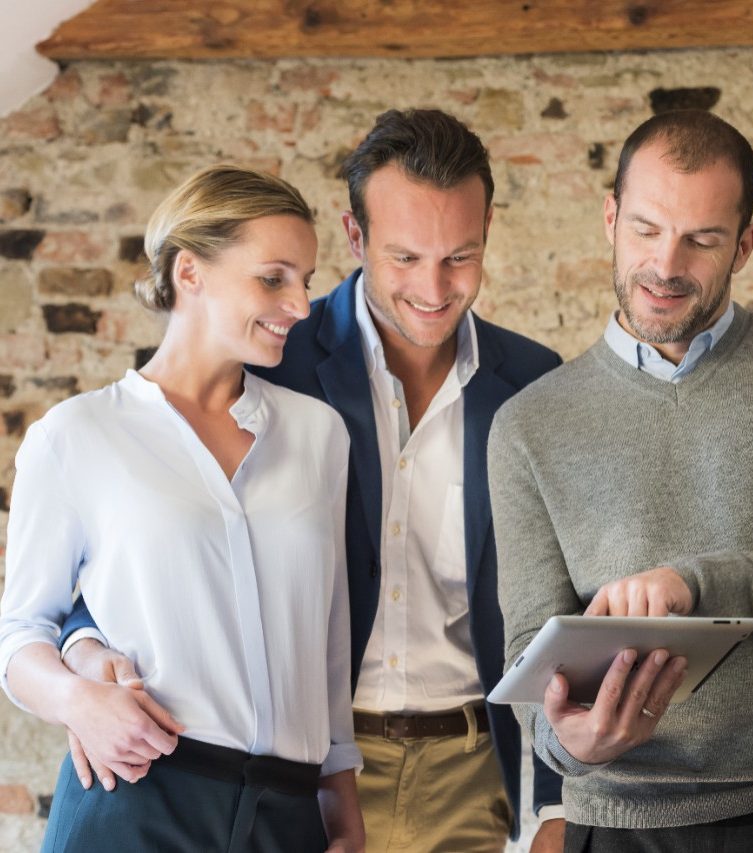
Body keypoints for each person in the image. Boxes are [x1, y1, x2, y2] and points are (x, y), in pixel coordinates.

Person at [61, 109, 565, 852]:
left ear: (488, 228)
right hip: (297, 778)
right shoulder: (271, 360)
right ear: (355, 236)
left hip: (469, 770)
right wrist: (82, 669)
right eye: (404, 256)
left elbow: (557, 597)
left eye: (460, 256)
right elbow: (139, 544)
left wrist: (552, 804)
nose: (434, 287)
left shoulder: (535, 383)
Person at [487, 109, 753, 852]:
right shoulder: (527, 423)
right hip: (616, 822)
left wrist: (698, 586)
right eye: (646, 229)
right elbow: (533, 650)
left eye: (702, 239)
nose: (665, 264)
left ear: (744, 245)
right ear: (610, 218)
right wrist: (571, 742)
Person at [0, 165, 365, 851]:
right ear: (189, 271)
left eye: (306, 280)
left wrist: (342, 814)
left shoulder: (319, 434)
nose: (300, 304)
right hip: (136, 799)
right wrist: (79, 699)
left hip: (287, 814)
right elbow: (20, 634)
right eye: (273, 278)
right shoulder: (76, 435)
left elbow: (328, 640)